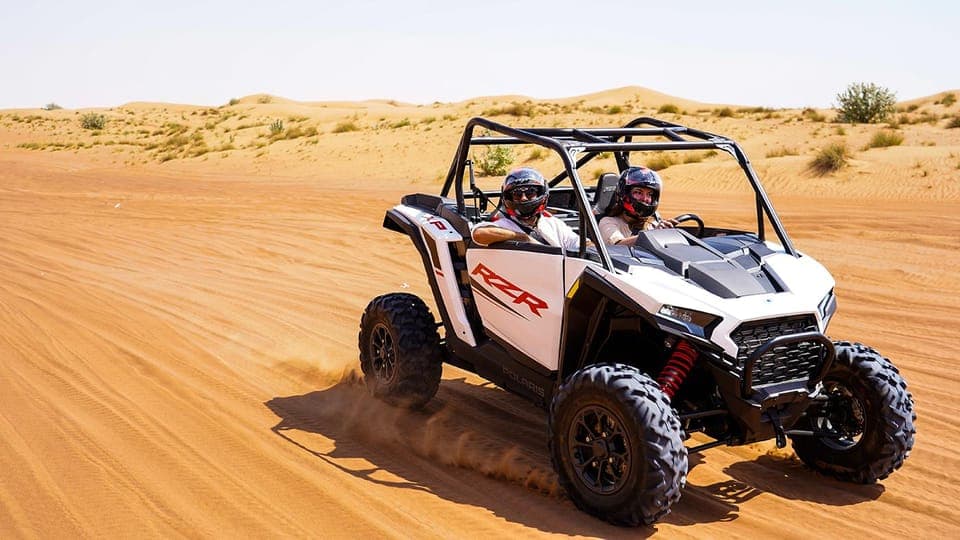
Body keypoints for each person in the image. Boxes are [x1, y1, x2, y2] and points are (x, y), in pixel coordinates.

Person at [471, 167, 582, 250]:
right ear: (509, 197)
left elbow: (581, 245)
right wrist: (524, 238)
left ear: (540, 194)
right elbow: (479, 234)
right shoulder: (504, 225)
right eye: (517, 194)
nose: (523, 198)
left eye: (530, 192)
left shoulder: (554, 224)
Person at [598, 166, 677, 246]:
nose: (645, 199)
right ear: (624, 194)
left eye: (649, 194)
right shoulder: (608, 222)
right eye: (638, 192)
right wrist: (653, 235)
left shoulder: (652, 222)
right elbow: (619, 246)